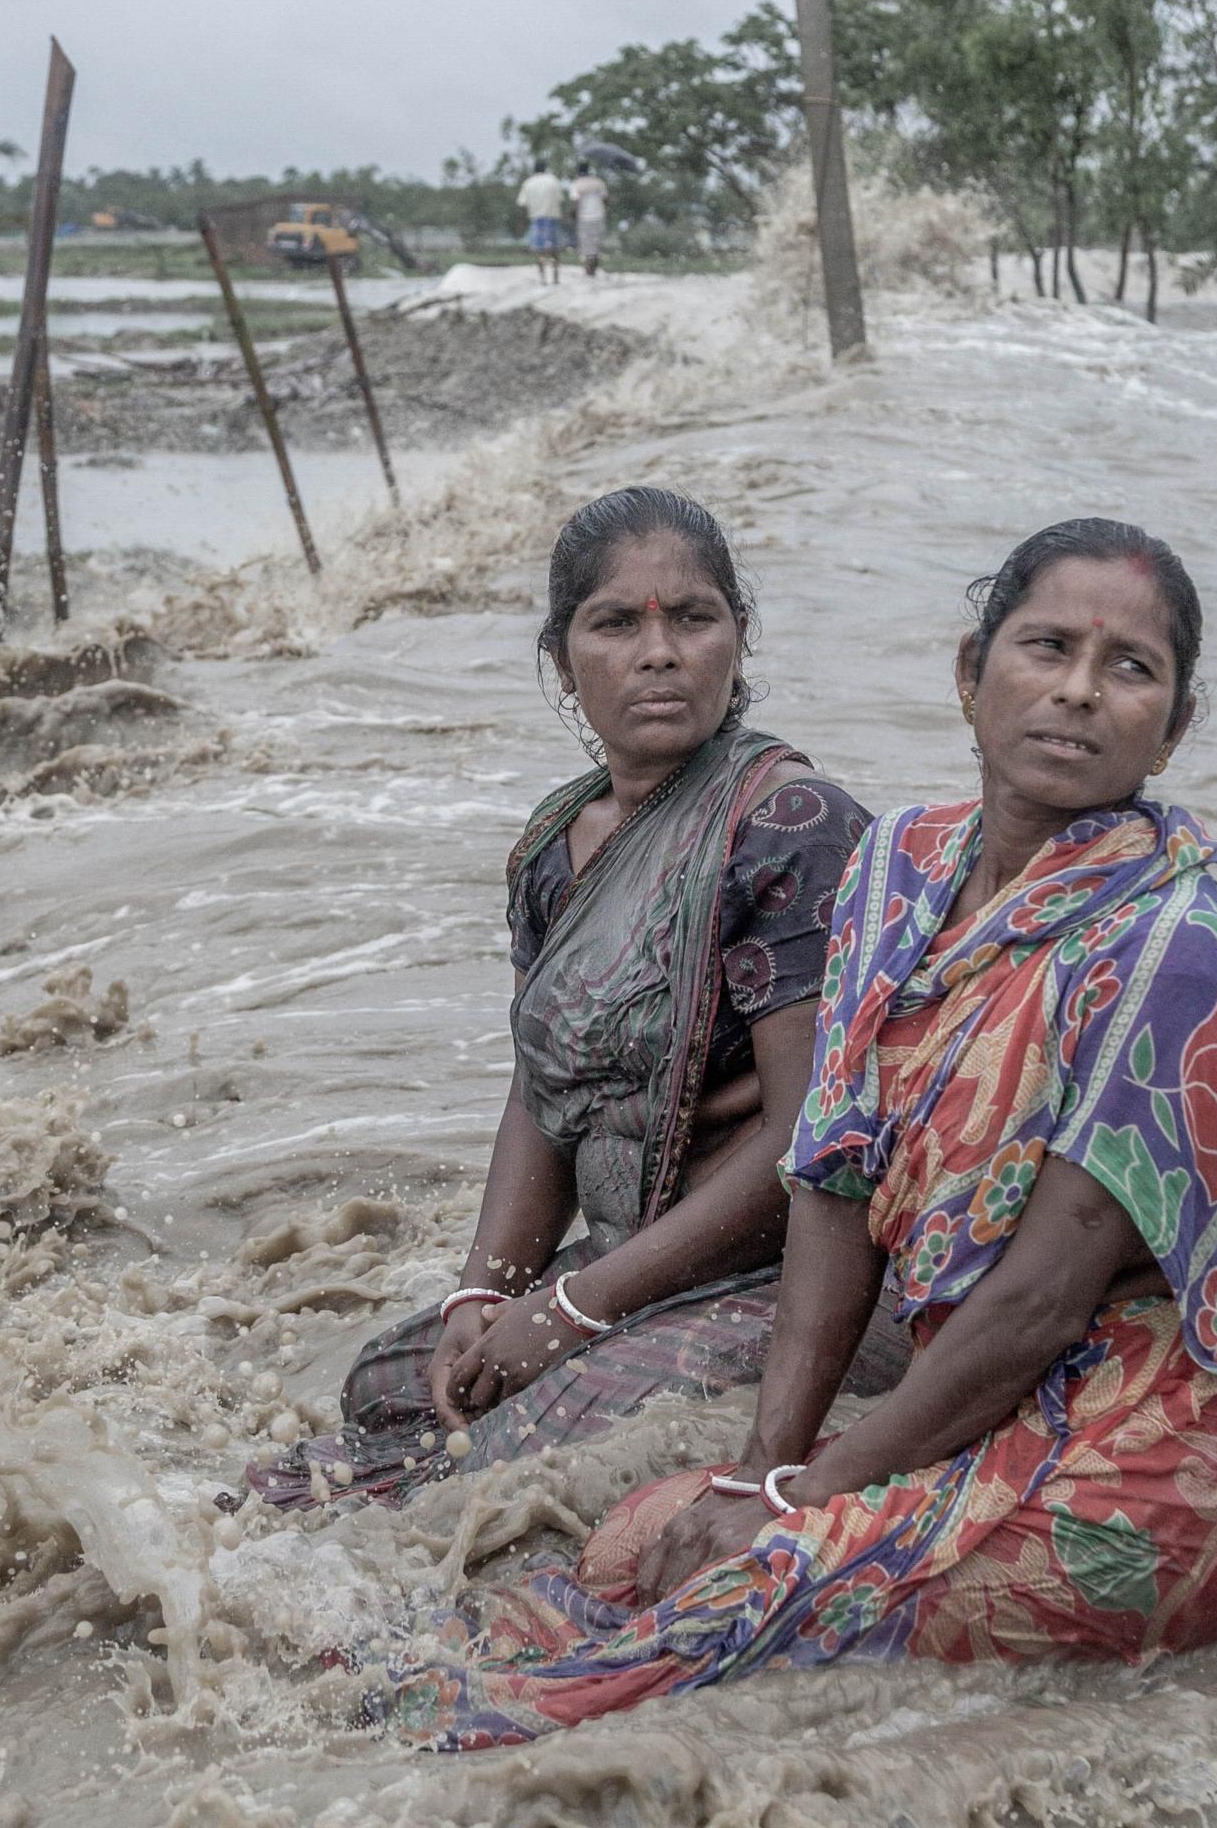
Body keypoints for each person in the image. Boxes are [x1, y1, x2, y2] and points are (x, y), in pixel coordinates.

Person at [374, 519, 1217, 1747]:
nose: (1081, 690)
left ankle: (429, 1774)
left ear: (1175, 724)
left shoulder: (1166, 946)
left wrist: (806, 1493)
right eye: (1047, 647)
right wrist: (763, 1465)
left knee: (726, 1605)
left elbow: (1038, 1303)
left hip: (1138, 1469)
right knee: (634, 1543)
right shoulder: (899, 866)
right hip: (972, 1415)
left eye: (1130, 667)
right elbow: (828, 1175)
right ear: (970, 672)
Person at [252, 487, 894, 1510]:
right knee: (386, 1384)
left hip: (787, 1281)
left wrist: (576, 1310)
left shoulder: (793, 830)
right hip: (633, 1261)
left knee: (509, 1447)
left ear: (737, 638)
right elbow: (538, 1092)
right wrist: (490, 1289)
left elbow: (806, 1143)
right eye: (616, 623)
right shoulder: (556, 848)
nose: (660, 652)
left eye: (693, 617)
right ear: (563, 661)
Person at [517, 162, 570, 288]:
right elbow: (560, 199)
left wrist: (521, 221)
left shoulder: (528, 183)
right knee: (554, 249)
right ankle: (555, 278)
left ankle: (543, 279)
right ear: (545, 169)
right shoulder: (553, 181)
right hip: (552, 217)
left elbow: (521, 203)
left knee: (539, 250)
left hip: (536, 218)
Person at [570, 165, 612, 278]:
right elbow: (606, 200)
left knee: (586, 244)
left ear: (578, 172)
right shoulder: (598, 182)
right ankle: (594, 268)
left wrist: (574, 214)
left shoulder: (577, 184)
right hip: (599, 216)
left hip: (584, 217)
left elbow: (575, 201)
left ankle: (588, 269)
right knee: (596, 242)